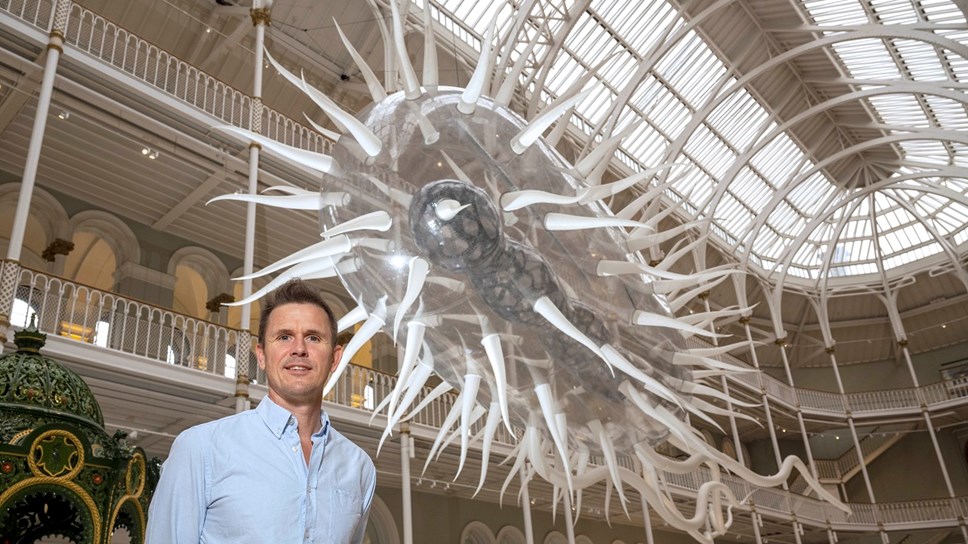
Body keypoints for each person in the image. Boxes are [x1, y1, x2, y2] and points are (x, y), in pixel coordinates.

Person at [146, 279, 376, 543]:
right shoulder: (201, 449)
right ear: (262, 355)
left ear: (335, 358)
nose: (299, 349)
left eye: (313, 337)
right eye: (284, 337)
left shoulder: (359, 467)